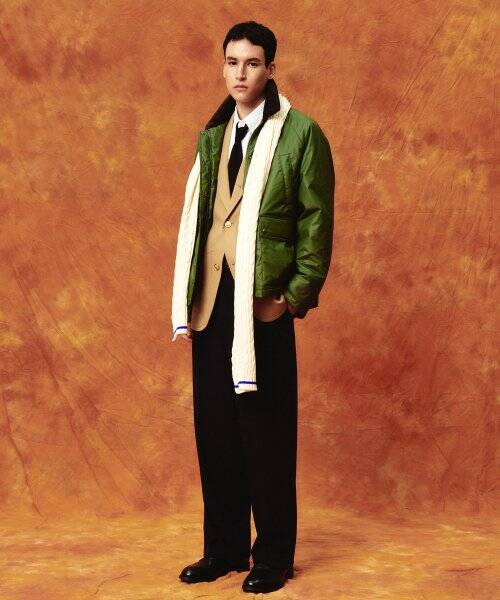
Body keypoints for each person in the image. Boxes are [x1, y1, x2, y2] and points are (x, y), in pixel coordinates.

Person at [171, 20, 334, 594]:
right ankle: (223, 549)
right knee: (215, 432)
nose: (240, 73)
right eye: (232, 62)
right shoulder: (213, 135)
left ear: (271, 69)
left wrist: (293, 298)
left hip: (261, 305)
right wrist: (188, 295)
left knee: (264, 435)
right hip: (211, 304)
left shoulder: (301, 134)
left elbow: (316, 224)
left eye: (252, 63)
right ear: (224, 67)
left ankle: (273, 556)